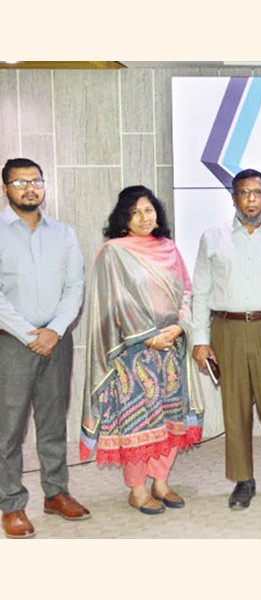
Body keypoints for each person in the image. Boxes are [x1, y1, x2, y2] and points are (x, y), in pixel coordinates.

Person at [80, 186, 204, 515]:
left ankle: (161, 482)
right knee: (138, 421)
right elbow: (113, 304)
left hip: (171, 349)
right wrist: (148, 337)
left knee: (171, 417)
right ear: (123, 218)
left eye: (148, 210)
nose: (143, 217)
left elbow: (186, 293)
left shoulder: (169, 248)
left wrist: (180, 326)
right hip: (133, 352)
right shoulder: (113, 253)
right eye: (135, 212)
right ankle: (137, 490)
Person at [191, 169, 261, 509]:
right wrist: (200, 339)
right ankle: (243, 480)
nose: (251, 199)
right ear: (234, 198)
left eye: (258, 192)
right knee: (235, 408)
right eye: (244, 192)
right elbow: (201, 291)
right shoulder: (213, 237)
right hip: (228, 330)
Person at [0, 158, 89, 539]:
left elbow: (75, 286)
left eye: (36, 181)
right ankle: (12, 504)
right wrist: (29, 334)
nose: (30, 188)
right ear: (5, 188)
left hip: (56, 341)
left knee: (53, 422)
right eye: (20, 183)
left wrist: (53, 330)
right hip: (11, 343)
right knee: (8, 428)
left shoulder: (63, 233)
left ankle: (56, 493)